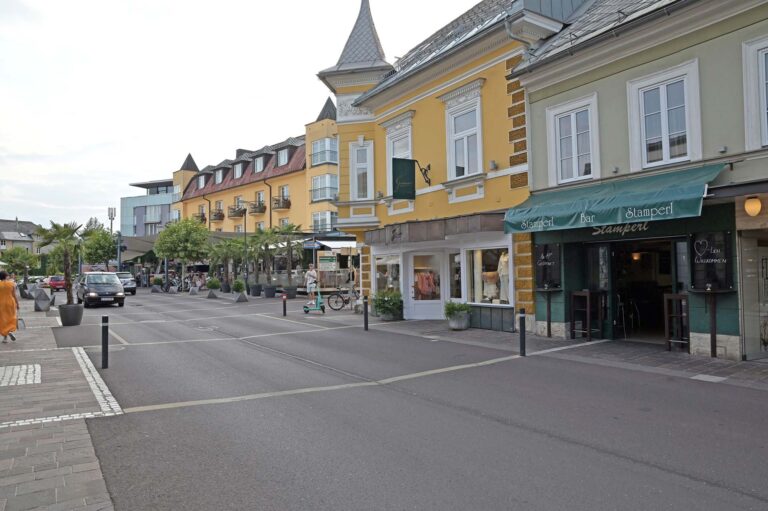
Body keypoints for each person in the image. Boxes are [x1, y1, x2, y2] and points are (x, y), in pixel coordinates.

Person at [0, 271, 20, 343]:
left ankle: (5, 337)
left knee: (3, 319)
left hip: (1, 303)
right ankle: (9, 331)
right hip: (10, 303)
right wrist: (17, 304)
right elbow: (14, 295)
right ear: (6, 276)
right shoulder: (12, 284)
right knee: (11, 318)